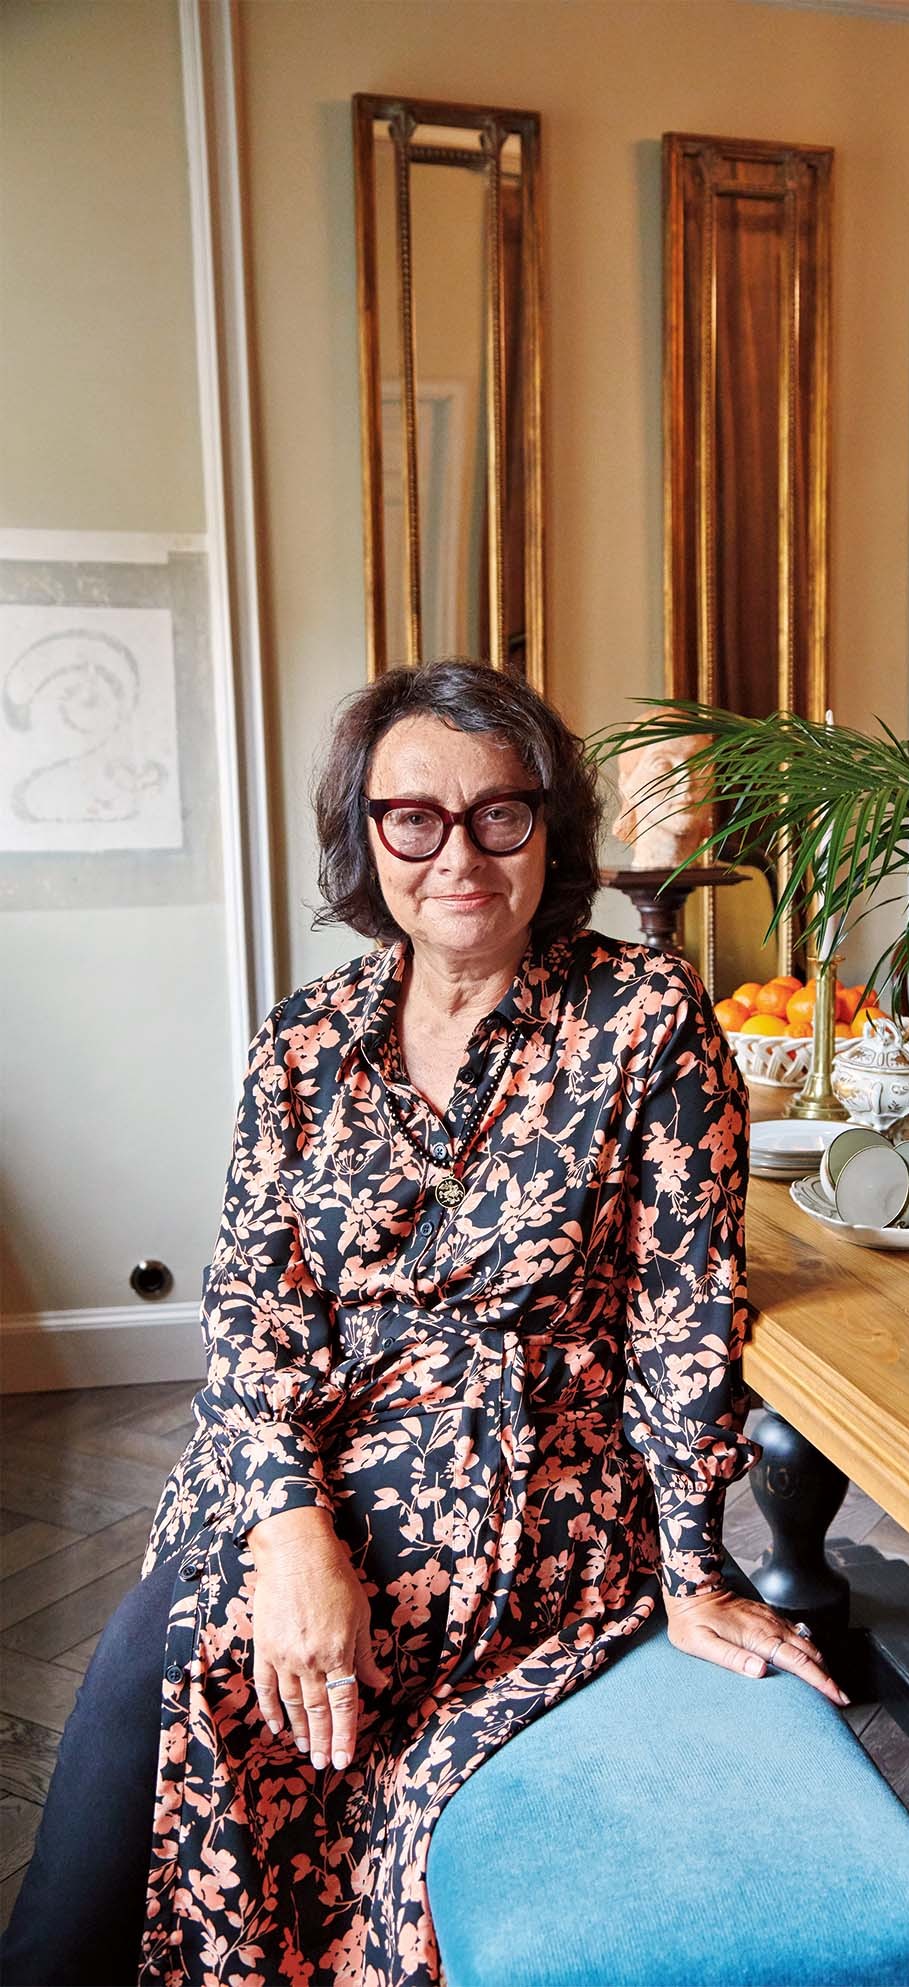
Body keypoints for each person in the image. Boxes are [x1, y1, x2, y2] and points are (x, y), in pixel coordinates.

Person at [1, 662, 846, 1987]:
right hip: (305, 1440)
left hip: (521, 1464)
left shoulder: (645, 1015)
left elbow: (685, 1315)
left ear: (550, 830)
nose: (460, 855)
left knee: (206, 1646)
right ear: (367, 836)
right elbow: (255, 1307)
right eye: (414, 818)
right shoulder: (305, 1039)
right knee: (198, 1613)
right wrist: (291, 1528)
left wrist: (694, 1571)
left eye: (500, 814)